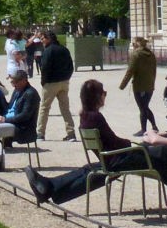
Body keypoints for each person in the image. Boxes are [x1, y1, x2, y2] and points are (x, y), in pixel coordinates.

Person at [24, 80, 155, 205]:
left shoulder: (84, 116)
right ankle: (48, 187)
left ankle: (49, 186)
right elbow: (114, 141)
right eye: (104, 93)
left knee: (86, 170)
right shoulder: (96, 117)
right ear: (97, 97)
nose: (105, 96)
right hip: (117, 160)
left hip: (108, 159)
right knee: (145, 150)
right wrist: (131, 143)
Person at [0, 72, 41, 171]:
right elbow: (9, 107)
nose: (13, 85)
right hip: (8, 121)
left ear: (24, 81)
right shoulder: (17, 90)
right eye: (12, 82)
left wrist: (5, 120)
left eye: (15, 82)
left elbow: (25, 116)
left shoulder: (31, 93)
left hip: (21, 126)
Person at [37, 33, 77, 141]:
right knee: (65, 108)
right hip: (64, 82)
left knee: (44, 108)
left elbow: (44, 67)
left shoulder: (48, 50)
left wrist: (43, 82)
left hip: (51, 83)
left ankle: (40, 133)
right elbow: (71, 66)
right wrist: (67, 77)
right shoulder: (64, 49)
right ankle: (71, 133)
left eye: (43, 38)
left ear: (49, 39)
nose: (41, 40)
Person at [120, 37, 158, 136]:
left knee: (142, 108)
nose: (132, 46)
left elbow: (130, 71)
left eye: (133, 44)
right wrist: (152, 82)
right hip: (149, 84)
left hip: (139, 85)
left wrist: (122, 85)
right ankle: (154, 126)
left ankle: (143, 129)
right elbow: (154, 70)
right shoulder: (151, 54)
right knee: (145, 107)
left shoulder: (136, 55)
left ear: (137, 44)